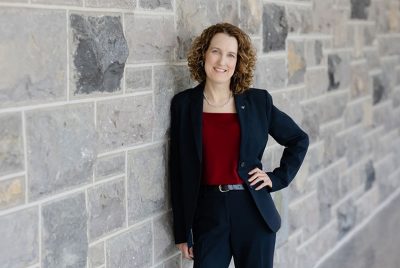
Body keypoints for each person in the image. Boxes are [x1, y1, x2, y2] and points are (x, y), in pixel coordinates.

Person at [169, 22, 309, 268]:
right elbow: (178, 171)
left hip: (252, 210)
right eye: (216, 51)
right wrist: (182, 231)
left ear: (238, 62)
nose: (222, 61)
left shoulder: (258, 102)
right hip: (208, 214)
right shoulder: (184, 105)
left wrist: (276, 178)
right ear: (203, 53)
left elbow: (298, 140)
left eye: (231, 55)